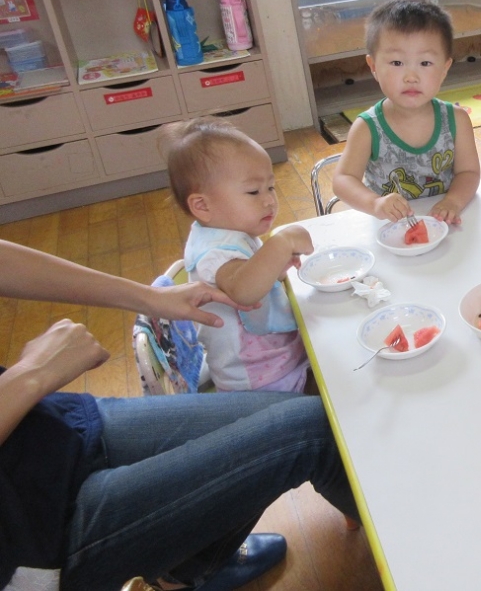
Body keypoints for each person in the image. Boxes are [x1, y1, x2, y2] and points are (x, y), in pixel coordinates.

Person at [0, 239, 357, 589]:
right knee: (312, 431)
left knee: (280, 418)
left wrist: (149, 298)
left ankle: (186, 570)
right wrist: (30, 376)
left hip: (48, 426)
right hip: (33, 531)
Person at [160, 117, 313, 393]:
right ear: (202, 206)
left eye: (270, 187)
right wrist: (281, 243)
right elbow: (243, 290)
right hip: (262, 380)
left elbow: (251, 275)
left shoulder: (226, 230)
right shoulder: (214, 252)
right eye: (253, 191)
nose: (269, 200)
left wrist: (274, 269)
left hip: (278, 359)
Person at [332, 0, 481, 225]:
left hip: (443, 225)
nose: (411, 77)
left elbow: (468, 172)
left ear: (444, 68)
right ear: (373, 66)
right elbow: (343, 179)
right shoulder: (367, 128)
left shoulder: (457, 120)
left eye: (425, 63)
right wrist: (374, 203)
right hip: (388, 229)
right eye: (397, 63)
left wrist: (453, 202)